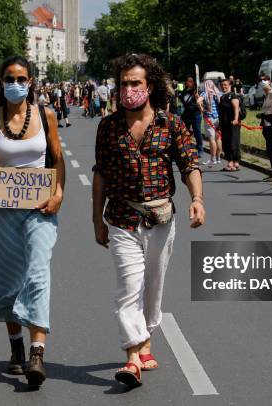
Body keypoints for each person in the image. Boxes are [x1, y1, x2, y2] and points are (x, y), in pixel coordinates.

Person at [92, 53, 205, 388]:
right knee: (129, 288)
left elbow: (189, 164)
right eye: (124, 83)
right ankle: (131, 356)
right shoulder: (108, 127)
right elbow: (100, 176)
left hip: (161, 219)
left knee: (153, 285)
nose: (128, 90)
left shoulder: (171, 124)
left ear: (149, 85)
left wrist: (197, 199)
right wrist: (96, 220)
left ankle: (146, 336)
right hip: (121, 217)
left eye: (135, 83)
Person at [0, 56, 65, 388]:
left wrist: (59, 193)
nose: (15, 83)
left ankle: (37, 352)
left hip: (40, 208)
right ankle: (16, 346)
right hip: (3, 211)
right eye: (9, 77)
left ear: (31, 81)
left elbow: (58, 159)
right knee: (8, 279)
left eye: (21, 78)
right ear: (0, 82)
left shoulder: (46, 115)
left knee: (37, 272)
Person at [218, 78, 242, 171]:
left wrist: (236, 119)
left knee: (233, 142)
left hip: (233, 123)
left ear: (230, 85)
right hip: (225, 123)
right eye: (222, 85)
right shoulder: (222, 97)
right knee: (226, 142)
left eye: (225, 85)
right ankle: (233, 162)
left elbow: (236, 107)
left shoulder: (232, 95)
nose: (223, 86)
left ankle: (233, 162)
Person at [178, 77, 203, 157]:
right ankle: (187, 149)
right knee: (185, 132)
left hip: (195, 114)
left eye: (191, 81)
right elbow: (181, 102)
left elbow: (201, 103)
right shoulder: (183, 91)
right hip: (186, 114)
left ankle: (200, 149)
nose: (190, 82)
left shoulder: (196, 91)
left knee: (197, 132)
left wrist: (197, 97)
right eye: (188, 81)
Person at [199, 79, 222, 166]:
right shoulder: (217, 93)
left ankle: (212, 159)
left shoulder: (204, 93)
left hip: (209, 118)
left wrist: (202, 109)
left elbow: (198, 101)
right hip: (218, 118)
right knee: (218, 138)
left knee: (211, 139)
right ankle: (218, 158)